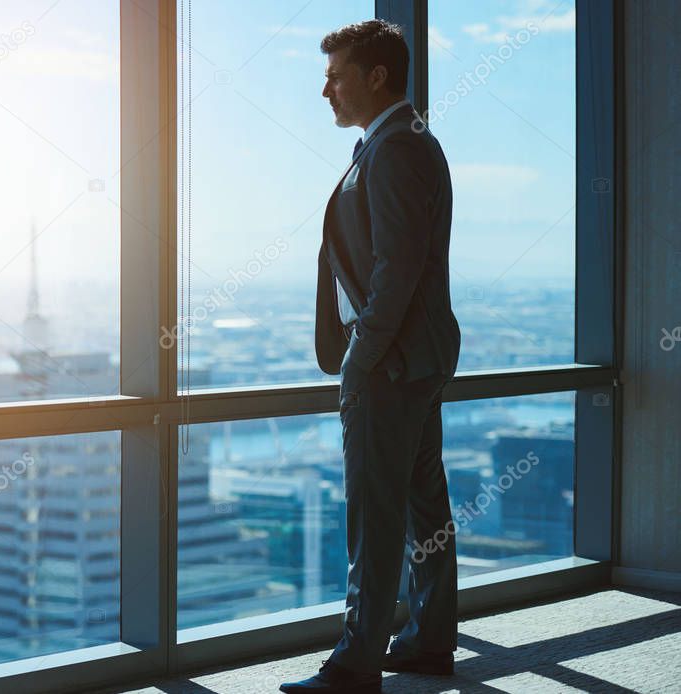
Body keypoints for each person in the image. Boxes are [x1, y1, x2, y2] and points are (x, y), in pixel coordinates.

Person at [280, 19, 462, 694]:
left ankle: (357, 662)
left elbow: (397, 269)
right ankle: (426, 642)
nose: (325, 88)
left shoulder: (396, 150)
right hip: (410, 360)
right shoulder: (389, 144)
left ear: (375, 76)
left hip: (389, 365)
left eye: (336, 75)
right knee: (420, 506)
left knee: (376, 513)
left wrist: (359, 359)